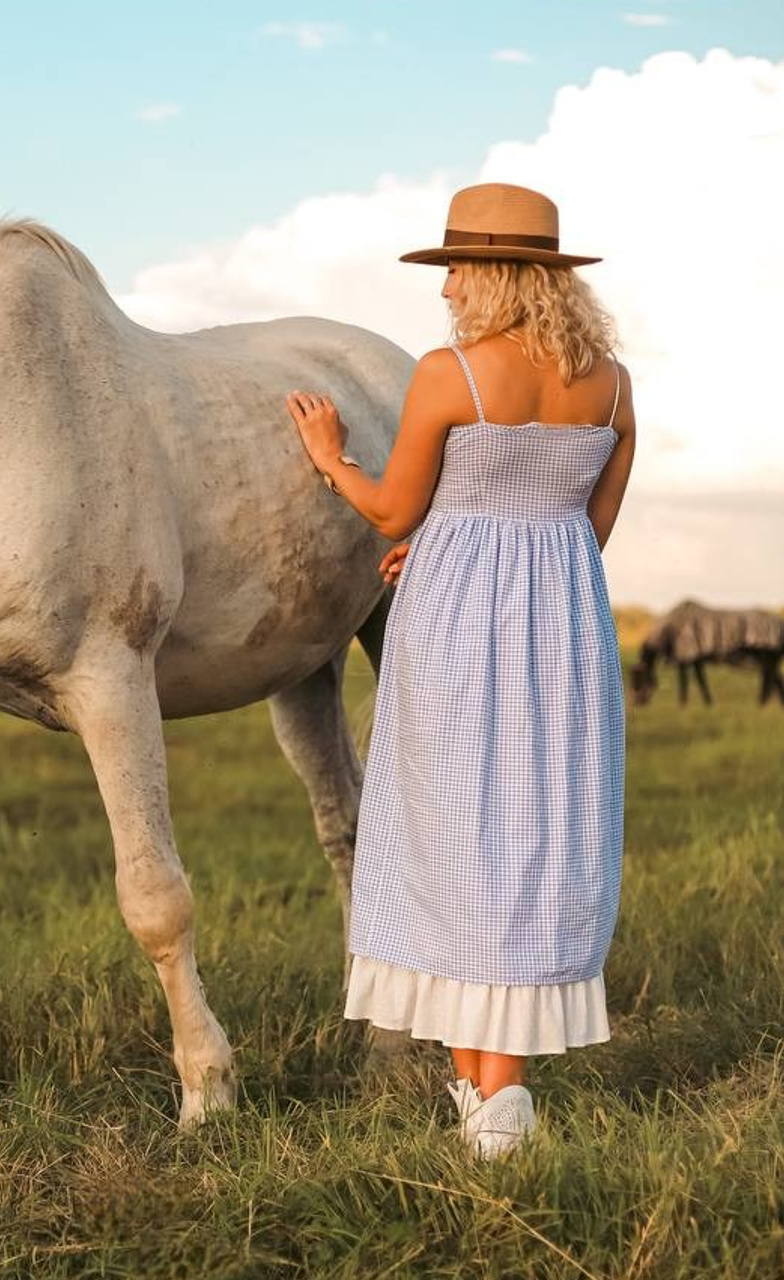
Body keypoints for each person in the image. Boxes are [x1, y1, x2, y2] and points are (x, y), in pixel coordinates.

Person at [285, 182, 635, 1159]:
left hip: (454, 632)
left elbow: (393, 510)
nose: (446, 294)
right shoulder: (610, 385)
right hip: (561, 628)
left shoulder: (450, 374)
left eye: (456, 275)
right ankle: (495, 1092)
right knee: (532, 833)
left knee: (452, 831)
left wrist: (329, 458)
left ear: (491, 279)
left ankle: (491, 1101)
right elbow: (582, 528)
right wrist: (461, 540)